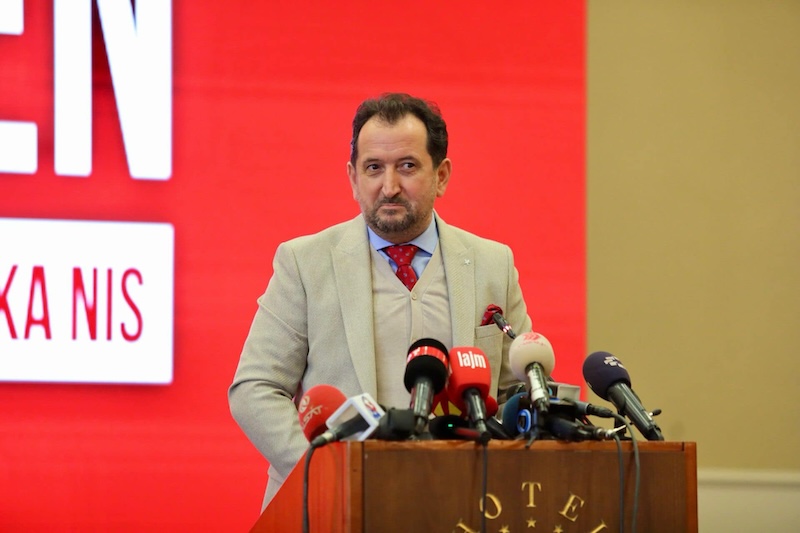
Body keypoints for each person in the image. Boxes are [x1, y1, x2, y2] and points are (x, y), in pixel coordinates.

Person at [228, 92, 533, 509]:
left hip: (458, 504)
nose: (389, 187)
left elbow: (519, 390)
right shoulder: (304, 263)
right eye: (374, 168)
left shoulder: (492, 264)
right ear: (353, 177)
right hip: (331, 505)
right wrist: (326, 472)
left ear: (441, 175)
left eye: (407, 166)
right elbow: (255, 388)